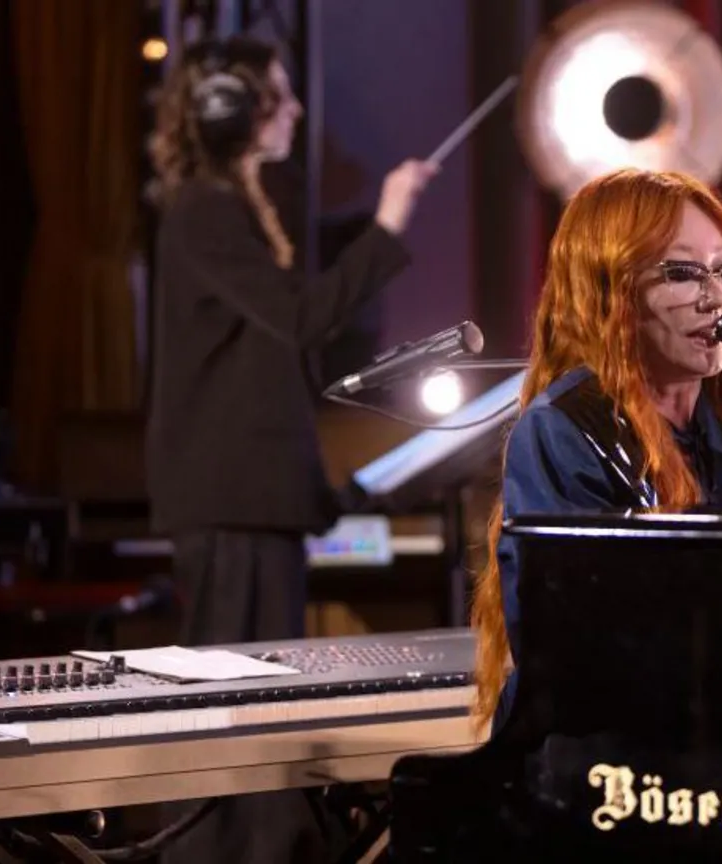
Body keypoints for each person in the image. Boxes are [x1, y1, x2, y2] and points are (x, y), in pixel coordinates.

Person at [144, 35, 434, 863]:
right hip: (231, 501)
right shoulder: (205, 208)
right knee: (236, 718)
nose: (298, 110)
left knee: (259, 711)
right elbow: (305, 316)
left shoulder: (227, 204)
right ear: (232, 111)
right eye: (280, 94)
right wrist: (389, 220)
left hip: (251, 500)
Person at [468, 169, 722, 734]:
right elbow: (572, 647)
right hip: (602, 749)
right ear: (611, 293)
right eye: (683, 273)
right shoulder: (567, 429)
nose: (717, 297)